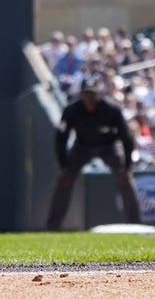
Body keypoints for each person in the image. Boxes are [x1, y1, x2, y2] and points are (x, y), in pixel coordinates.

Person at [46, 78, 141, 230]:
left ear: (98, 94)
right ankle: (52, 227)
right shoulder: (72, 111)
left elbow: (126, 137)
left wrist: (127, 166)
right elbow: (60, 139)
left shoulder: (111, 109)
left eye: (92, 94)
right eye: (86, 94)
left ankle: (136, 225)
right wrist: (63, 166)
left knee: (125, 178)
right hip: (81, 147)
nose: (89, 98)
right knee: (64, 180)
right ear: (81, 94)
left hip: (109, 146)